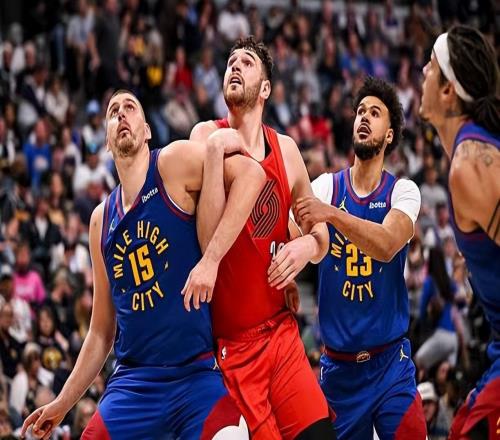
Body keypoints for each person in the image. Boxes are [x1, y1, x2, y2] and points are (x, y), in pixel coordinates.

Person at [21, 89, 267, 439]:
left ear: (147, 130)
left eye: (130, 107)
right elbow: (100, 332)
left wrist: (211, 259)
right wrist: (63, 403)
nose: (121, 114)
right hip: (134, 384)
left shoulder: (171, 163)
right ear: (107, 141)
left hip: (194, 374)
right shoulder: (99, 220)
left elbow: (252, 175)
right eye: (113, 111)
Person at [187, 36, 334, 439]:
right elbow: (207, 241)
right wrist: (214, 153)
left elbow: (320, 230)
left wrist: (306, 245)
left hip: (281, 335)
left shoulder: (286, 149)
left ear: (266, 88)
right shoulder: (205, 136)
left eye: (246, 62)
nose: (234, 66)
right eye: (230, 62)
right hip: (233, 348)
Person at [294, 77, 426, 439]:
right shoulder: (326, 187)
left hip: (390, 365)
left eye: (375, 113)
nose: (364, 117)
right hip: (339, 372)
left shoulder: (402, 191)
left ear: (389, 135)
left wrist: (332, 214)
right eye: (360, 111)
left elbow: (387, 244)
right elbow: (287, 232)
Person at [419, 25, 500, 440]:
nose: (422, 71)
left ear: (448, 91)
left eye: (431, 66)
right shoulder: (468, 156)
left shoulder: (471, 163)